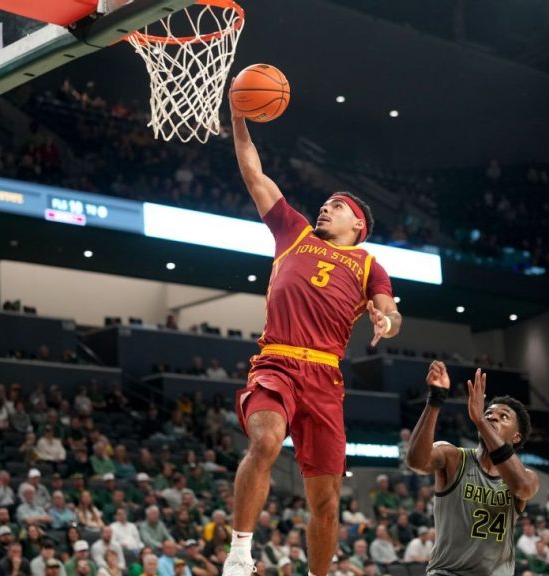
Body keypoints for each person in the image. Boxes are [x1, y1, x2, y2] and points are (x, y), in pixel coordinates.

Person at [223, 96, 401, 576]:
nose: (325, 208)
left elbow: (389, 309)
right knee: (265, 442)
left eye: (336, 206)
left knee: (326, 501)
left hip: (325, 377)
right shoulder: (294, 232)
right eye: (324, 204)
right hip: (276, 362)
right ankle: (240, 553)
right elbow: (253, 173)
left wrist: (386, 321)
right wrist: (238, 119)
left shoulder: (369, 264)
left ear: (358, 224)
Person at [405, 362, 540, 575]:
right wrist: (435, 399)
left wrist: (481, 421)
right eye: (489, 413)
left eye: (503, 416)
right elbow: (416, 461)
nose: (492, 416)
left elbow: (522, 487)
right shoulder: (454, 457)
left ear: (516, 437)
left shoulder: (526, 476)